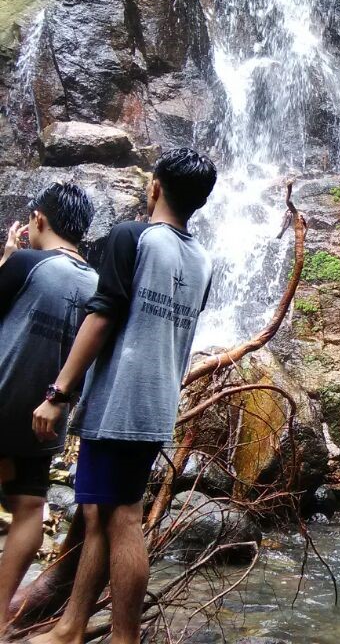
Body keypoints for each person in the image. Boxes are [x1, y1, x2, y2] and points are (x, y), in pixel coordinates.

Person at [30, 148, 216, 644]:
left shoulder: (132, 236)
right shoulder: (203, 260)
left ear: (154, 187)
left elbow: (103, 315)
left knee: (125, 518)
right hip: (157, 402)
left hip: (119, 401)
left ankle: (125, 637)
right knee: (97, 513)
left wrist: (59, 391)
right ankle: (70, 626)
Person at [0, 184, 98, 627]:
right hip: (46, 414)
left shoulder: (26, 263)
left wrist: (5, 258)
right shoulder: (99, 285)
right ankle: (0, 617)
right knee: (28, 507)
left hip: (2, 392)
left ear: (39, 220)